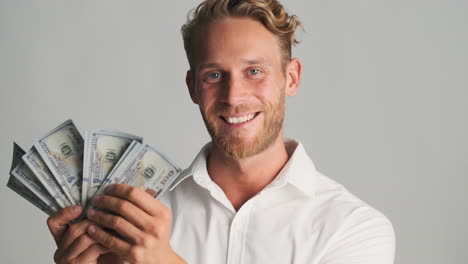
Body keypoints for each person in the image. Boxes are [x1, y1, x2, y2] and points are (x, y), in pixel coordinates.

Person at [47, 0, 396, 263]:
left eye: (254, 71)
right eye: (214, 75)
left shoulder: (354, 228)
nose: (234, 97)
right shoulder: (135, 219)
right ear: (193, 87)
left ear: (291, 78)